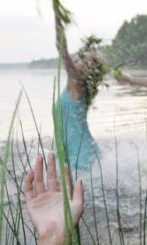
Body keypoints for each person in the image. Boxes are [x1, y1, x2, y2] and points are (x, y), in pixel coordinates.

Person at [52, 7, 106, 172]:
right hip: (75, 155)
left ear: (90, 72)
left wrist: (57, 18)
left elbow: (63, 51)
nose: (79, 58)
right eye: (82, 56)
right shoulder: (73, 87)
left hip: (81, 159)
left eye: (86, 60)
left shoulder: (78, 84)